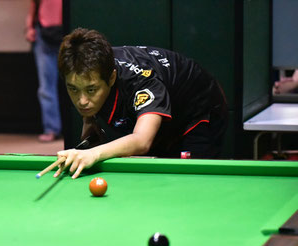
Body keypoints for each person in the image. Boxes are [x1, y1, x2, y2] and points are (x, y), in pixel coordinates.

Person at [51, 28, 228, 179]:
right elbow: (85, 87)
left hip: (200, 110)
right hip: (167, 115)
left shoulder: (142, 83)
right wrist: (89, 119)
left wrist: (92, 154)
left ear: (112, 78)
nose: (82, 101)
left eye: (91, 90)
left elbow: (142, 141)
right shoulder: (94, 64)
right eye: (73, 89)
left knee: (188, 181)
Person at [25, 0, 62, 142]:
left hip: (69, 30)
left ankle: (78, 128)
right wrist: (29, 27)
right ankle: (51, 129)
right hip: (44, 33)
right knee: (46, 87)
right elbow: (34, 5)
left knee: (76, 83)